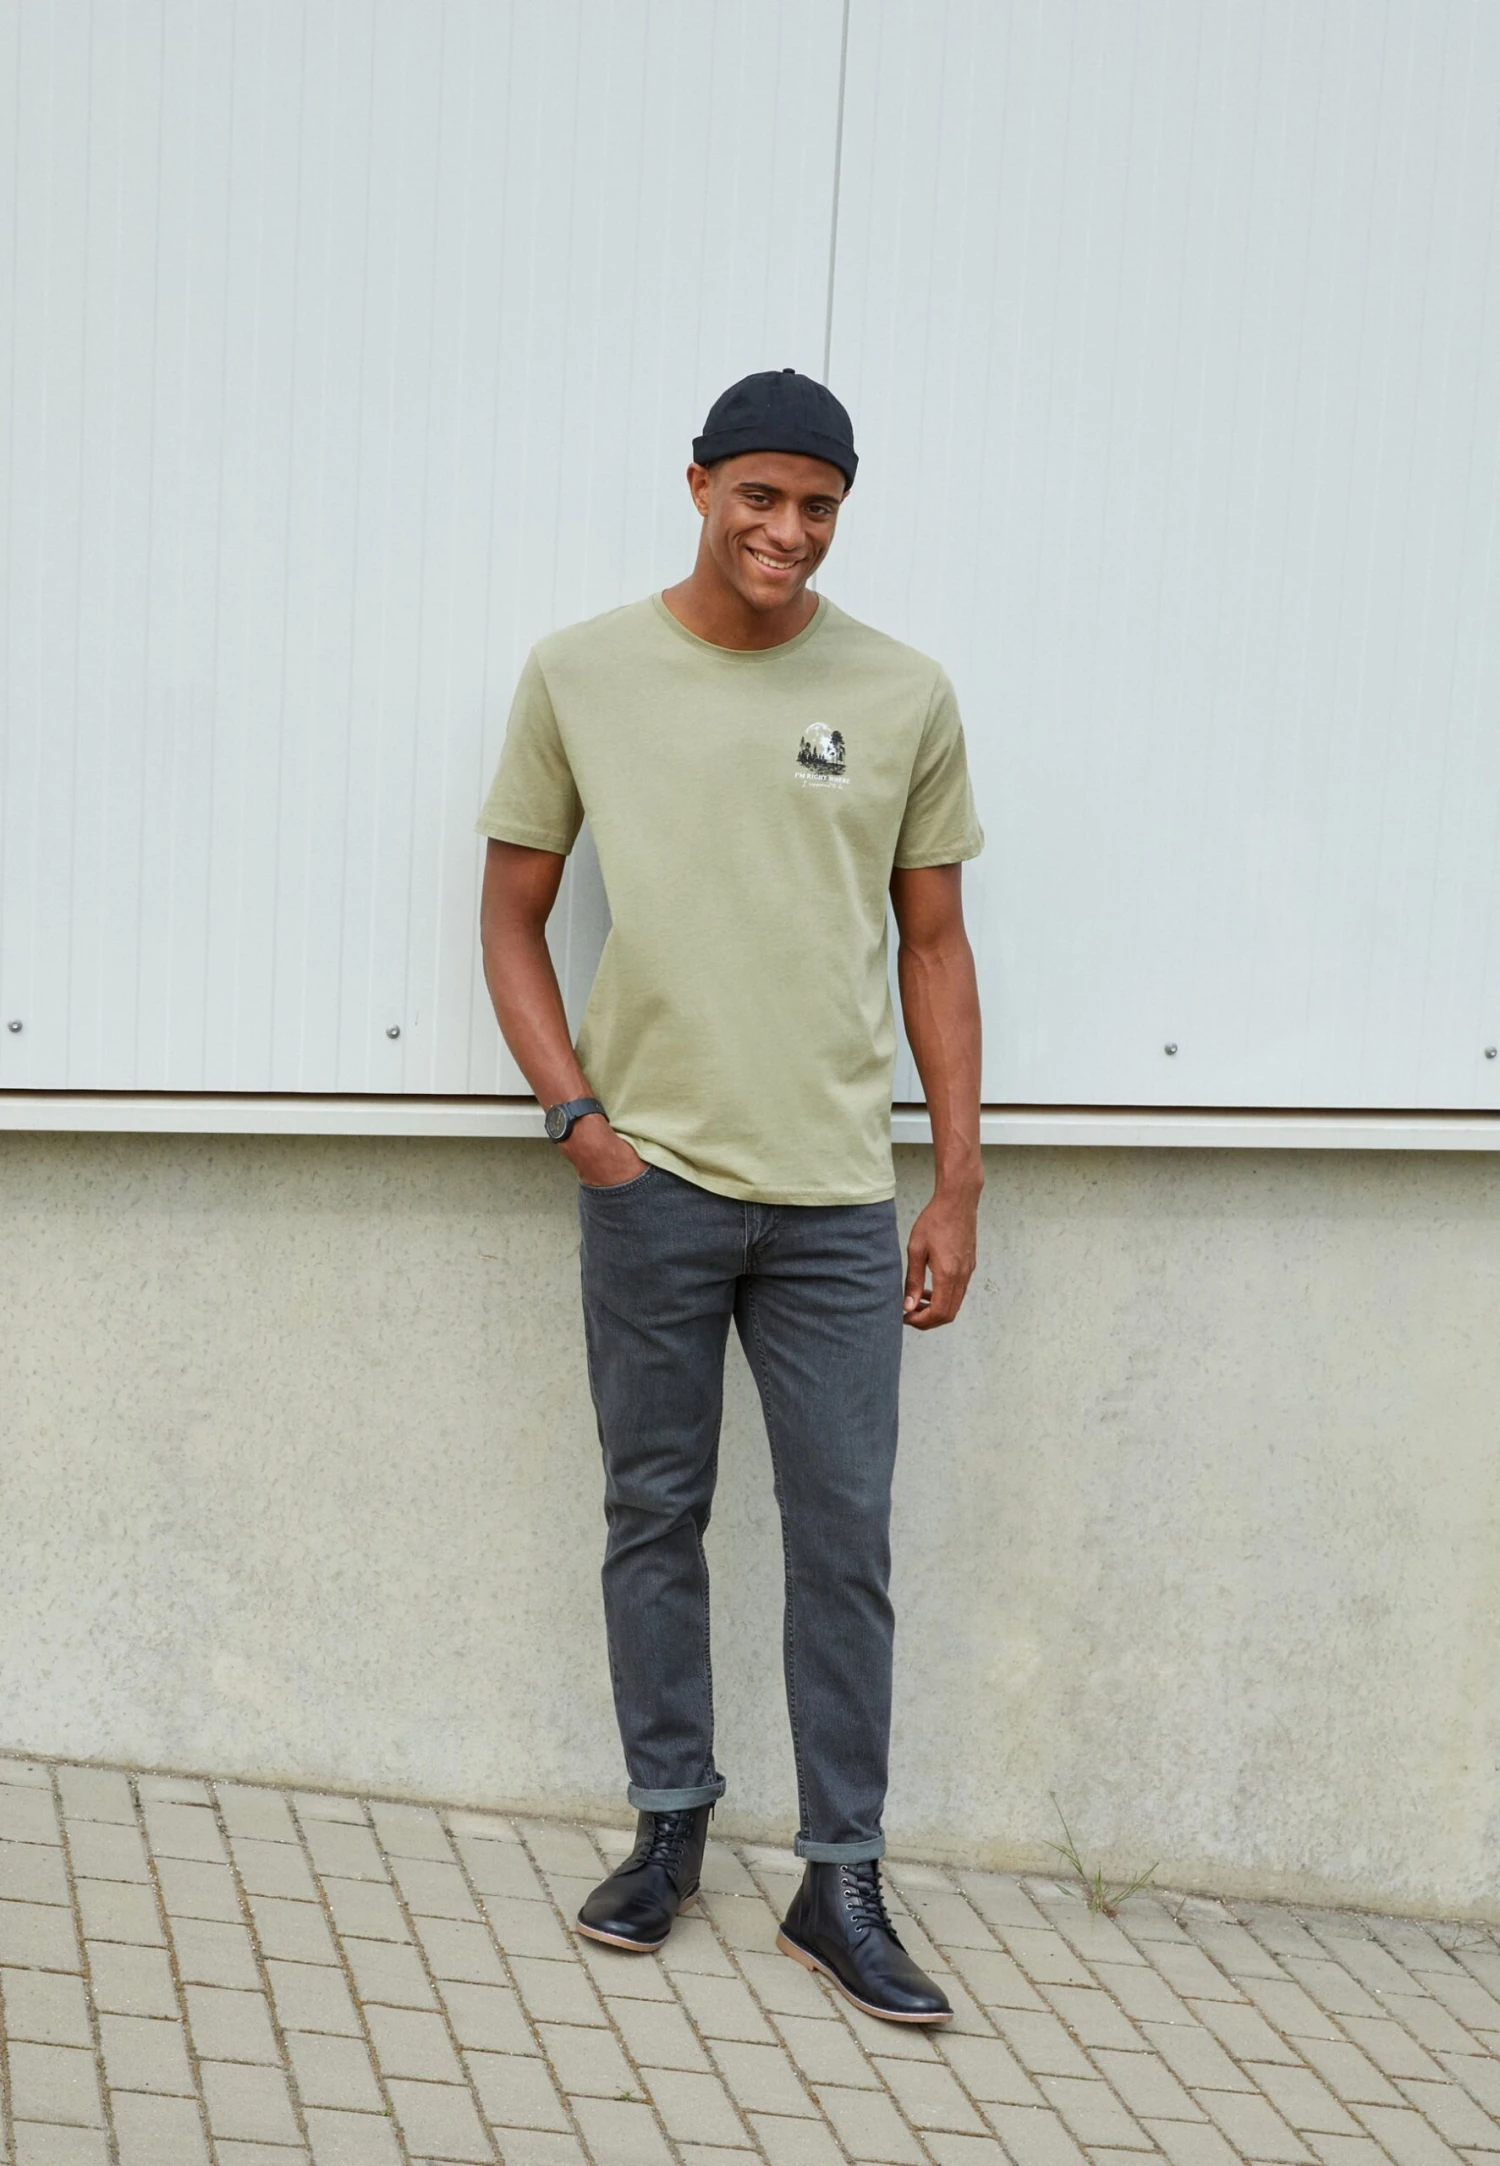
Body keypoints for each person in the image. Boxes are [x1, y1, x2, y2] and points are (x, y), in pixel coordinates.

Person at [477, 368, 984, 2024]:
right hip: (655, 1180)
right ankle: (669, 1828)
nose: (788, 529)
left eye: (818, 505)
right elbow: (511, 913)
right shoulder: (582, 672)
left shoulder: (902, 690)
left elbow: (932, 943)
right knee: (654, 1512)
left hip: (836, 1196)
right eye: (760, 494)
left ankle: (841, 1880)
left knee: (845, 1538)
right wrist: (580, 1121)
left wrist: (956, 1180)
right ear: (698, 485)